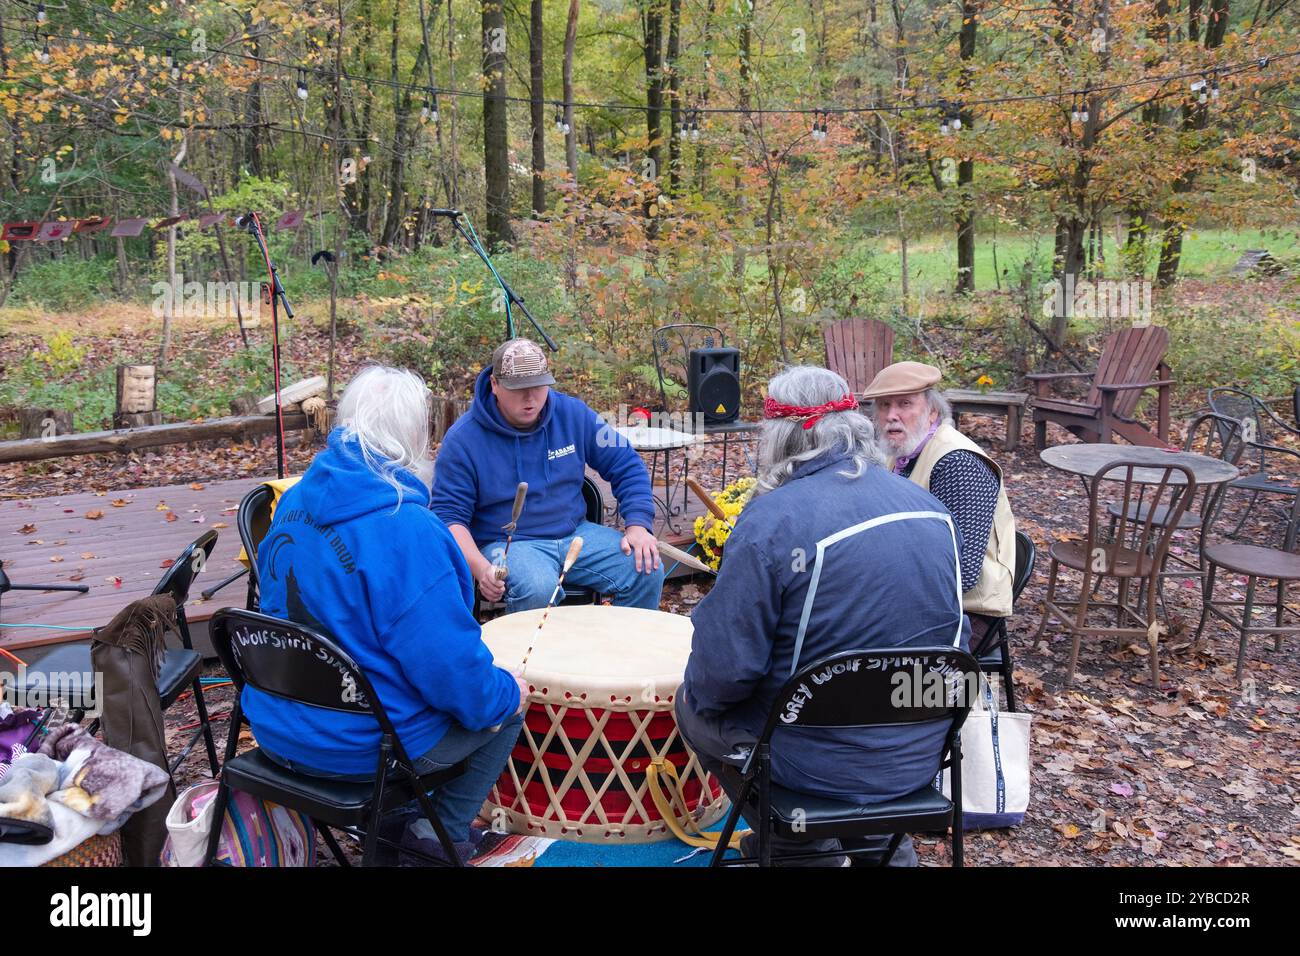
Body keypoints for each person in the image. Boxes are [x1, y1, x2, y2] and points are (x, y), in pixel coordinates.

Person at [675, 365, 969, 867]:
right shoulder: (931, 510)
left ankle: (799, 848)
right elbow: (953, 642)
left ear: (780, 436)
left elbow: (724, 673)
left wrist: (706, 689)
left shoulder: (771, 520)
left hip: (812, 763)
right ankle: (878, 845)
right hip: (922, 752)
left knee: (692, 704)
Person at [242, 365, 526, 863]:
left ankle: (397, 822)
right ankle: (436, 835)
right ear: (418, 435)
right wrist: (507, 692)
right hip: (358, 750)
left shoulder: (292, 502)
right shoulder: (408, 529)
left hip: (276, 725)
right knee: (507, 704)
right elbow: (452, 672)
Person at [432, 338, 664, 613]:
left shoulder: (573, 415)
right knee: (537, 587)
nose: (531, 398)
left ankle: (623, 651)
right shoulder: (463, 439)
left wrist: (638, 525)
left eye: (539, 386)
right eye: (518, 389)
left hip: (575, 534)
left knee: (646, 569)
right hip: (506, 544)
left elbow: (626, 463)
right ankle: (523, 656)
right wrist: (481, 568)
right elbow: (449, 516)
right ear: (495, 385)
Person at [863, 361, 1017, 656]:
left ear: (932, 411)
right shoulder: (900, 452)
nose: (891, 416)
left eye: (905, 404)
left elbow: (963, 573)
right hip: (919, 594)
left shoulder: (956, 462)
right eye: (883, 406)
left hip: (967, 612)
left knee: (857, 646)